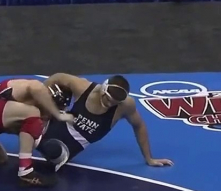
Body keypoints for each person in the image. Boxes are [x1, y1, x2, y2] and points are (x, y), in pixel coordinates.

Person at [36, 73, 174, 172]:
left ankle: (34, 136)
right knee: (23, 114)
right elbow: (57, 78)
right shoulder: (83, 87)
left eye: (114, 103)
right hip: (56, 122)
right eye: (108, 100)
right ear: (103, 89)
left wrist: (149, 158)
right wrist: (44, 107)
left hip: (68, 146)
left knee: (51, 151)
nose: (109, 105)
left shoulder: (125, 105)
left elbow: (139, 125)